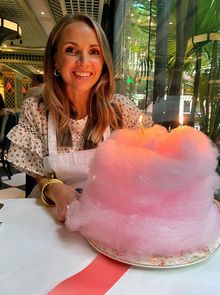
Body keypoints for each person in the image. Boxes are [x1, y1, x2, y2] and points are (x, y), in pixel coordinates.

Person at [7, 14, 153, 221]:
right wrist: (57, 190)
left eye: (94, 52)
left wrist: (188, 193)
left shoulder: (121, 109)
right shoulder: (37, 110)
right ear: (55, 59)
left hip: (109, 216)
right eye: (71, 50)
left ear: (103, 62)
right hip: (52, 215)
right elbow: (40, 176)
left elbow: (155, 161)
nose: (84, 61)